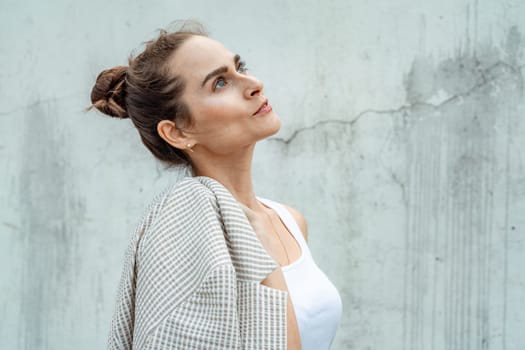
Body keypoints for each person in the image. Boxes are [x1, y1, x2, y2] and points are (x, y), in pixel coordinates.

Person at [89, 21, 342, 350]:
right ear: (178, 132)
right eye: (220, 83)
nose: (254, 84)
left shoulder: (290, 221)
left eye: (241, 68)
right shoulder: (182, 228)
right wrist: (267, 268)